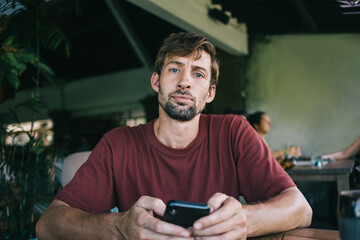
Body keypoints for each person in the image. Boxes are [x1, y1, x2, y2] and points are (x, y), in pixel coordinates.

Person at [36, 32, 312, 239]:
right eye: (174, 69)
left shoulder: (233, 131)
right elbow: (47, 226)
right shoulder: (118, 143)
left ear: (210, 93)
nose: (185, 81)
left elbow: (301, 209)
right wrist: (119, 226)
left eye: (198, 73)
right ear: (157, 81)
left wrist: (245, 219)